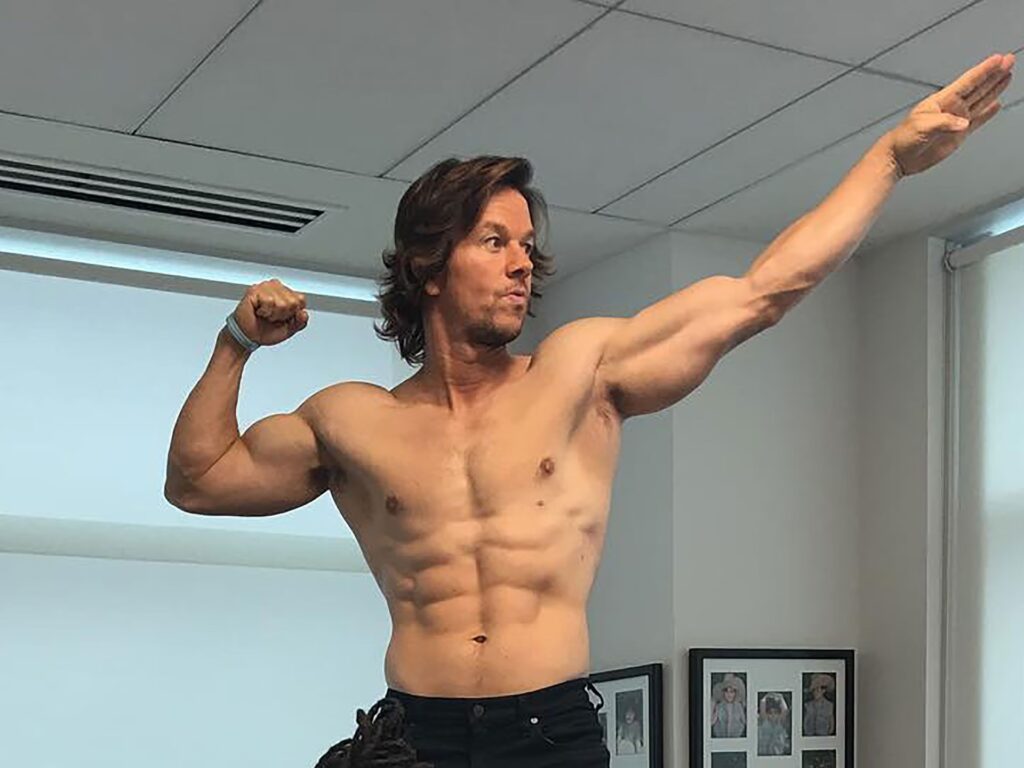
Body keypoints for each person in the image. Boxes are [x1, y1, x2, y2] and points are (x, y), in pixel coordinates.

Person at [164, 53, 1015, 768]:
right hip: (413, 737)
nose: (521, 265)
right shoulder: (350, 419)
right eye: (494, 242)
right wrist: (237, 342)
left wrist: (889, 161)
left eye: (527, 248)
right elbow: (197, 482)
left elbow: (761, 292)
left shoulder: (582, 374)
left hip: (550, 732)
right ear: (428, 267)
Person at [710, 673, 747, 738]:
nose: (729, 694)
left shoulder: (739, 706)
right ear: (723, 693)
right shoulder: (719, 706)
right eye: (726, 691)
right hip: (721, 737)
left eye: (732, 692)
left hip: (736, 737)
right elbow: (712, 722)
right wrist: (712, 706)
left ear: (735, 693)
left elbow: (745, 721)